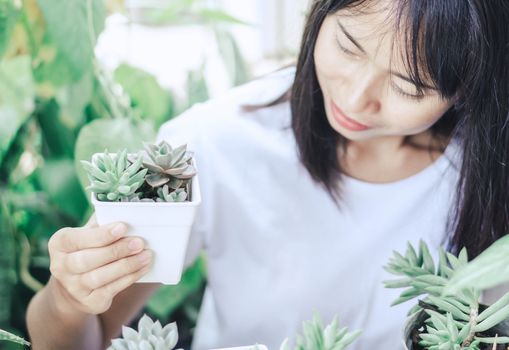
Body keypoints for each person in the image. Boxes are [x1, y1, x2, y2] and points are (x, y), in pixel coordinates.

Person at [26, 0, 509, 349]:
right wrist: (69, 296)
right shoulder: (209, 141)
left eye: (409, 84)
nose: (357, 97)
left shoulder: (489, 169)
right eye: (348, 44)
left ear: (469, 86)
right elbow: (76, 341)